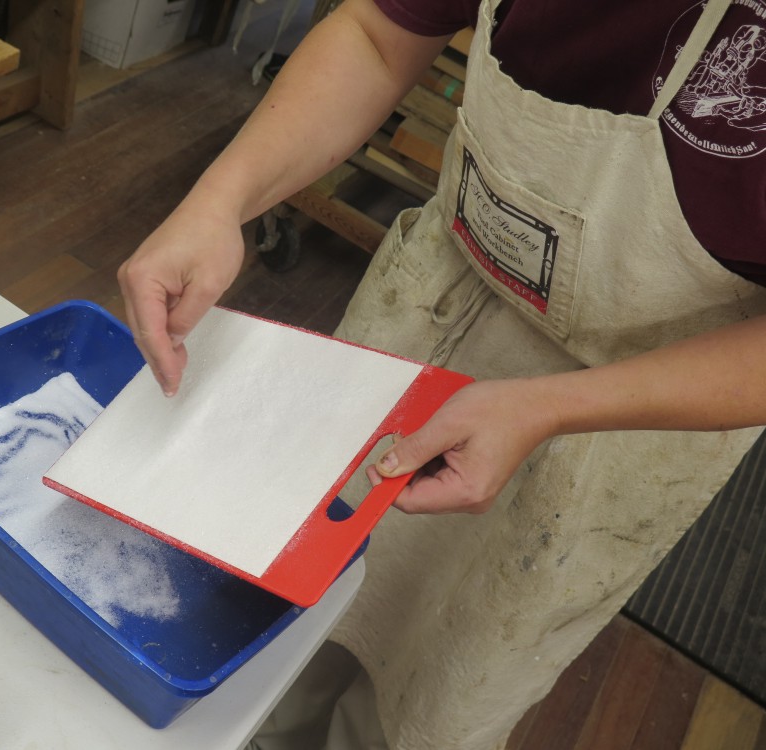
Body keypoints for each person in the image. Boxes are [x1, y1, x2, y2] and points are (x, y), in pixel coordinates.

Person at [117, 0, 766, 747]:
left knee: (436, 682)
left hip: (635, 401)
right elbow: (377, 35)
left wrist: (549, 407)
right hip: (435, 300)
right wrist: (220, 200)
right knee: (283, 618)